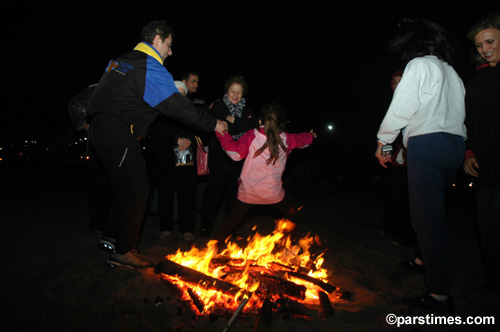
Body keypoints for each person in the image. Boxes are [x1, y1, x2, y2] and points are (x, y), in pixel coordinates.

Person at [86, 20, 227, 269]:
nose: (170, 52)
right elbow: (178, 108)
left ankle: (113, 236)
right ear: (158, 39)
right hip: (116, 130)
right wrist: (213, 124)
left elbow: (127, 99)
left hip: (101, 129)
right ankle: (124, 251)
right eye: (169, 45)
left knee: (125, 186)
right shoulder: (149, 64)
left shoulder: (122, 60)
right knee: (138, 189)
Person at [375, 18, 467, 314]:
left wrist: (384, 142)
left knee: (427, 220)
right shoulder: (452, 71)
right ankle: (423, 259)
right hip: (454, 145)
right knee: (433, 211)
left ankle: (440, 295)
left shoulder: (419, 65)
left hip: (427, 145)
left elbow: (402, 106)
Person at [213, 103, 316, 245]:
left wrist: (221, 133)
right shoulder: (286, 138)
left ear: (260, 120)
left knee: (229, 222)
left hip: (249, 193)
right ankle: (290, 243)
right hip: (273, 193)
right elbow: (302, 140)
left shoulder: (252, 136)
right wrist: (310, 136)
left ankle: (214, 246)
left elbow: (235, 153)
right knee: (292, 214)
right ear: (281, 122)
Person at [463, 13, 500, 292]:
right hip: (486, 165)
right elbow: (470, 122)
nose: (485, 49)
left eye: (490, 41)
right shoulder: (476, 82)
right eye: (479, 45)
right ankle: (493, 279)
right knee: (487, 226)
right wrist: (469, 152)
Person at [200, 75, 258, 238]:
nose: (235, 95)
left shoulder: (247, 109)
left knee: (234, 196)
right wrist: (241, 123)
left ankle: (229, 230)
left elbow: (253, 126)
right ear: (227, 91)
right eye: (233, 91)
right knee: (213, 193)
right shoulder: (218, 105)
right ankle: (205, 228)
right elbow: (225, 129)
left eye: (239, 92)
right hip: (219, 156)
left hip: (239, 159)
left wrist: (234, 120)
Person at [150, 81, 197, 242]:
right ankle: (166, 227)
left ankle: (187, 229)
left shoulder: (190, 111)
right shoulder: (160, 111)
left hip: (186, 162)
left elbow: (198, 130)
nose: (178, 96)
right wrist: (176, 139)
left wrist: (189, 141)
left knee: (187, 197)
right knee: (165, 196)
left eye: (182, 94)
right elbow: (156, 132)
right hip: (165, 163)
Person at [68, 84, 114, 239]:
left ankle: (116, 224)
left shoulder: (129, 88)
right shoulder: (97, 88)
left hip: (122, 147)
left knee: (120, 189)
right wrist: (84, 123)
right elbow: (75, 103)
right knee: (99, 187)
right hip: (98, 147)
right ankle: (98, 223)